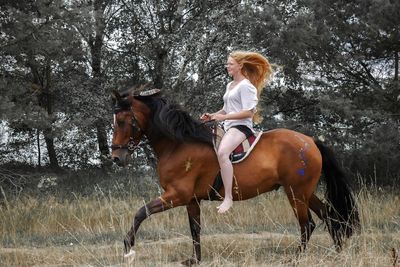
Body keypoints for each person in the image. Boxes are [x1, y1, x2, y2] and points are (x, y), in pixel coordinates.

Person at [201, 51, 272, 213]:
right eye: (227, 64)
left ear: (240, 66)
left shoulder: (246, 86)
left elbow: (249, 113)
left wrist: (222, 117)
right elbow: (226, 109)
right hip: (228, 126)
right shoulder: (230, 85)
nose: (227, 67)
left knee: (222, 153)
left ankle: (228, 197)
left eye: (230, 64)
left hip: (241, 127)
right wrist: (212, 116)